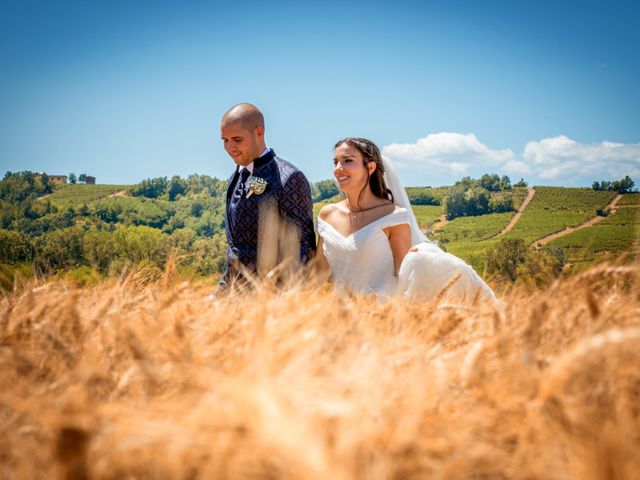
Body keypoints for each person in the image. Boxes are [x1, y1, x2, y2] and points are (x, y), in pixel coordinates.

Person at [315, 137, 495, 302]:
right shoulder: (327, 215)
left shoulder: (393, 216)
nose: (338, 169)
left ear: (370, 167)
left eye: (347, 161)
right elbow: (318, 273)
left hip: (381, 311)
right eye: (335, 162)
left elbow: (404, 275)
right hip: (340, 314)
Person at [218, 103, 316, 291]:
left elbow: (302, 249)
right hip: (233, 292)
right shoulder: (234, 177)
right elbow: (236, 249)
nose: (230, 148)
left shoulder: (289, 177)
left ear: (259, 133)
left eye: (237, 139)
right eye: (225, 140)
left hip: (273, 297)